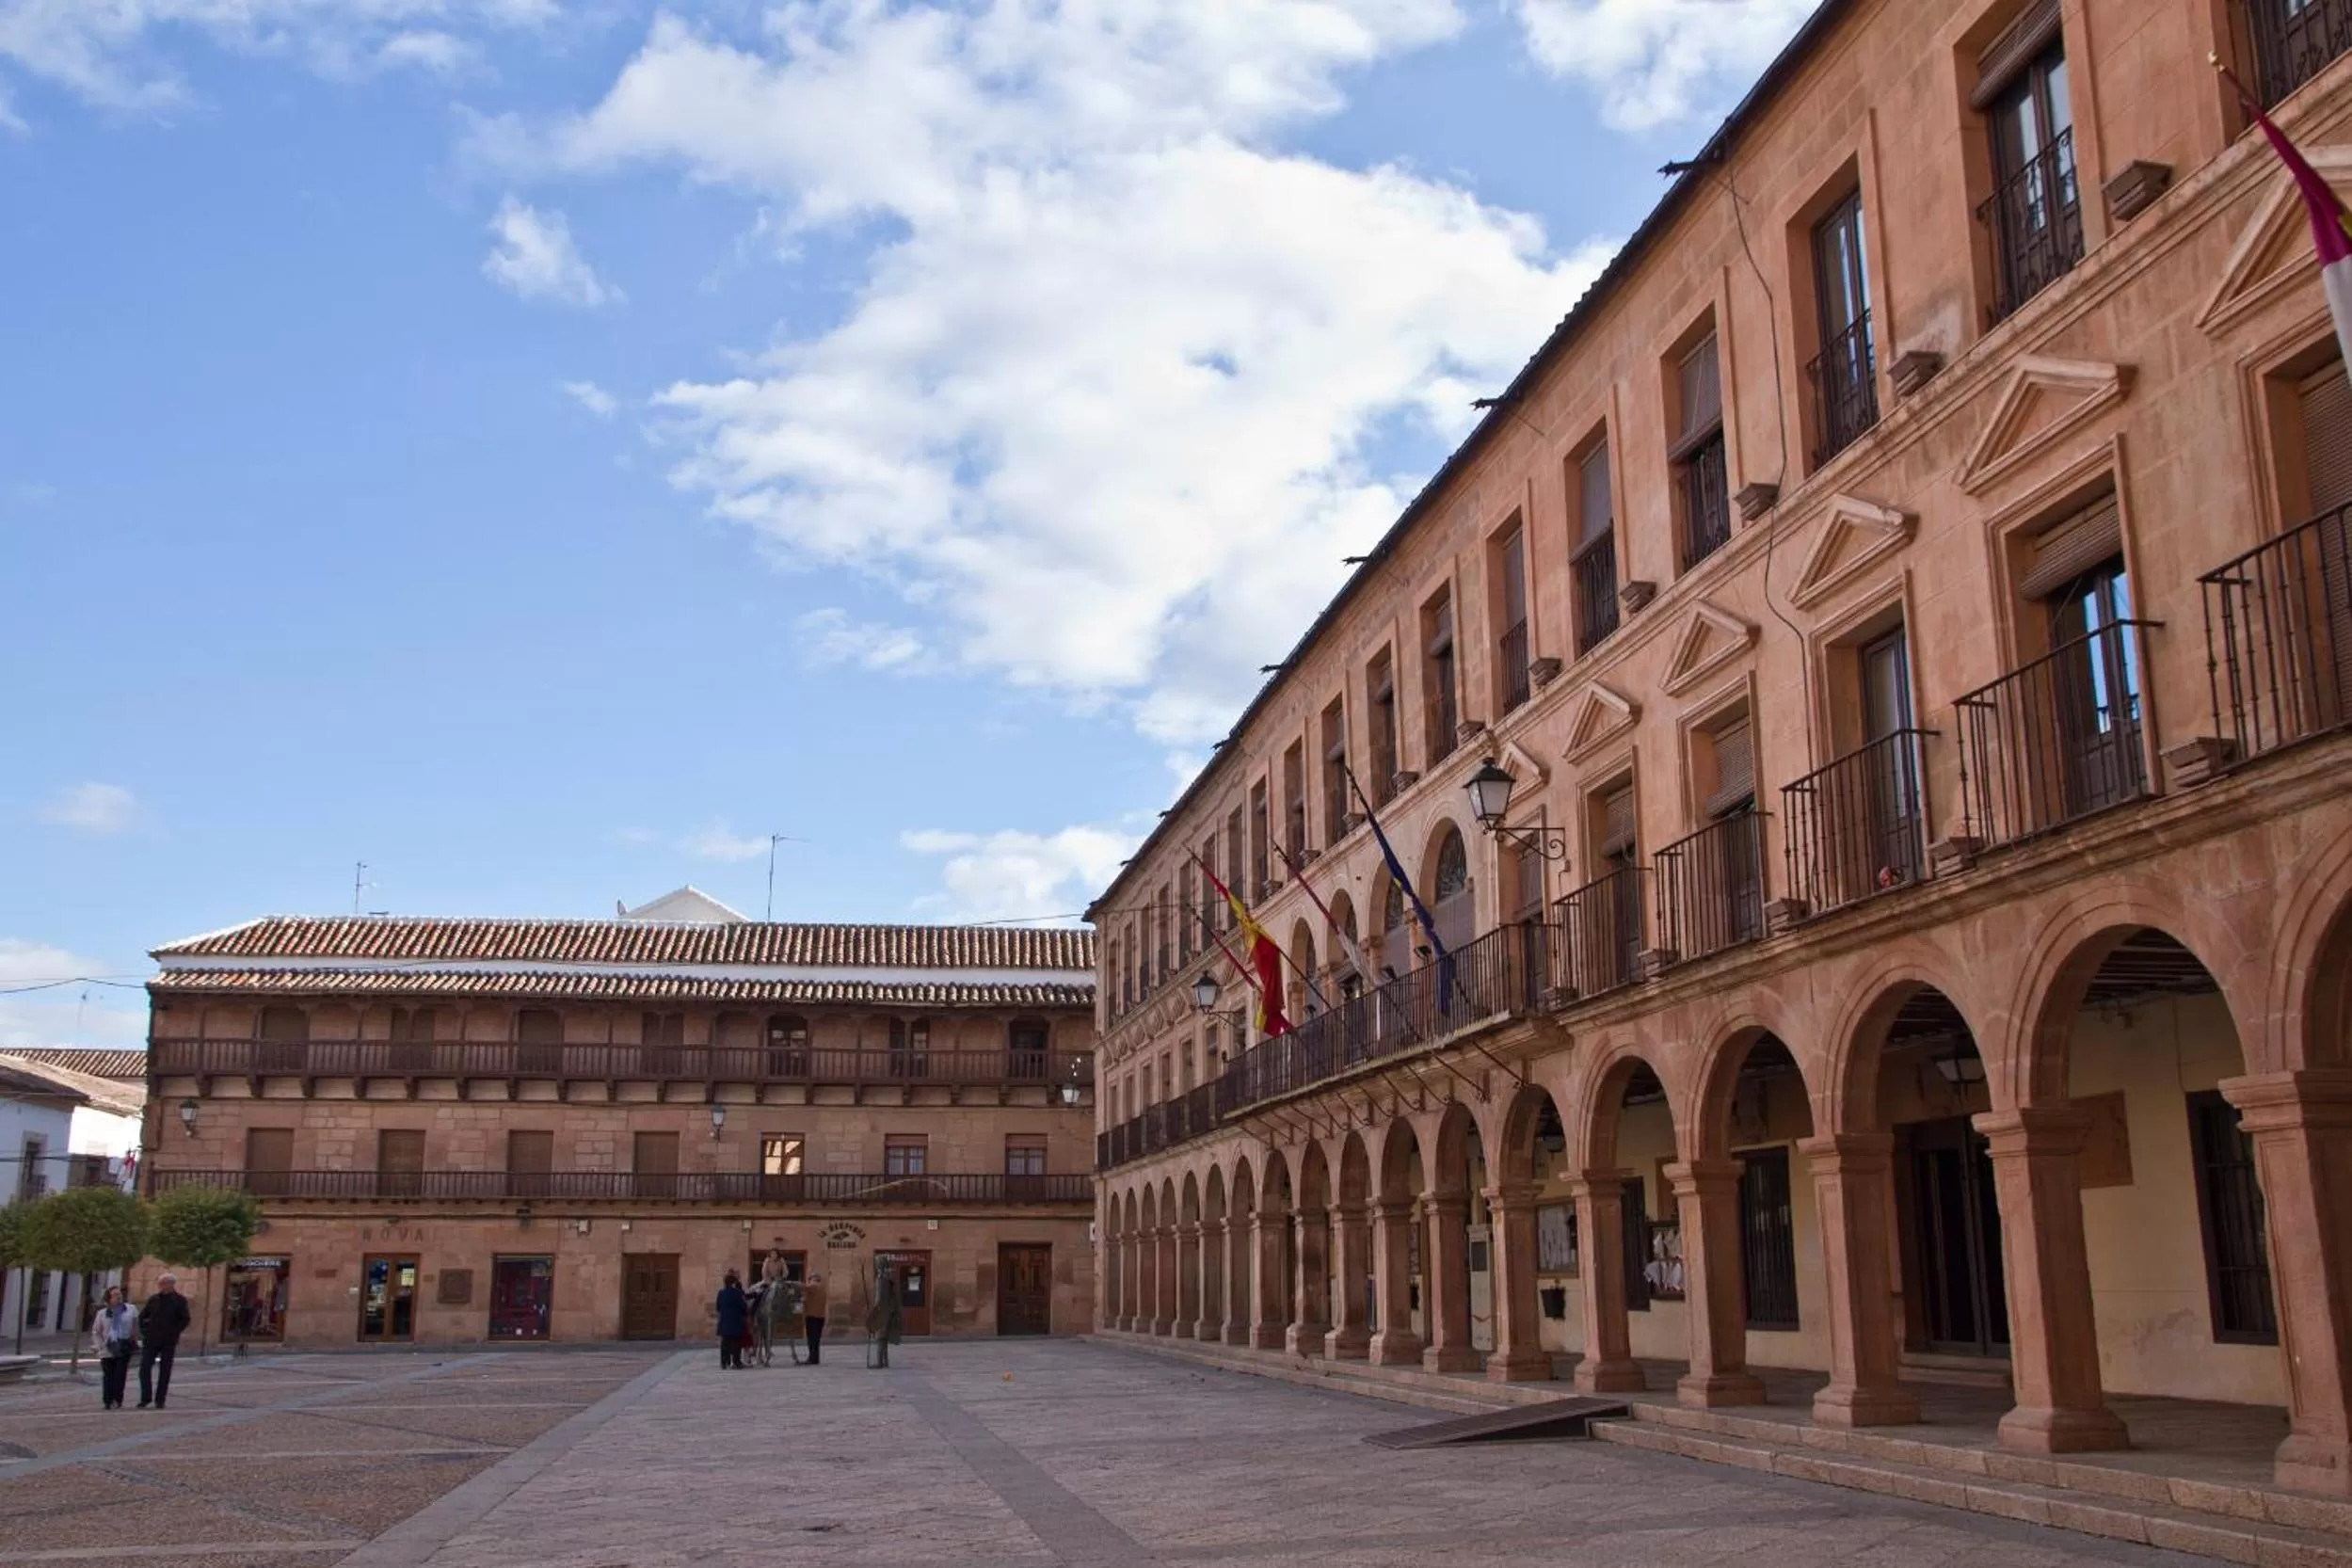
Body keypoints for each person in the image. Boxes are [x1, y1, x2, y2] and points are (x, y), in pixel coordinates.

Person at [136, 1273, 190, 1410]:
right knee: (144, 1368)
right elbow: (143, 1316)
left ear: (170, 1284)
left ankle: (160, 1400)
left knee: (165, 1371)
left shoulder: (180, 1300)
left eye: (163, 1283)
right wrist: (145, 1331)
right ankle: (145, 1397)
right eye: (159, 1283)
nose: (160, 1286)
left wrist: (174, 1332)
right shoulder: (154, 1299)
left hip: (168, 1340)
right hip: (151, 1339)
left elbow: (185, 1319)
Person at [88, 1286, 138, 1410]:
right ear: (109, 1298)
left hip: (123, 1345)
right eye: (115, 1295)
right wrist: (100, 1346)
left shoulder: (130, 1309)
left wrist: (134, 1340)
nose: (118, 1297)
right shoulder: (102, 1313)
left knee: (120, 1374)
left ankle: (117, 1399)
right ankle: (107, 1400)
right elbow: (96, 1331)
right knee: (108, 1375)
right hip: (108, 1346)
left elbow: (135, 1327)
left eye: (119, 1294)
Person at [866, 1268, 904, 1370]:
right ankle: (885, 1361)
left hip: (883, 1312)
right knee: (884, 1338)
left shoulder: (881, 1281)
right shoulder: (891, 1283)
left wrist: (873, 1313)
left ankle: (879, 1362)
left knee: (880, 1337)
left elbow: (879, 1299)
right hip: (890, 1311)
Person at [715, 1271, 749, 1369]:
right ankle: (736, 1362)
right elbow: (743, 1307)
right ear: (733, 1283)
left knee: (724, 1343)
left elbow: (718, 1307)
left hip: (724, 1321)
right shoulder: (738, 1293)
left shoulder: (721, 1293)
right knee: (736, 1343)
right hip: (736, 1321)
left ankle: (724, 1362)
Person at [802, 1269, 828, 1366]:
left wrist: (791, 1283)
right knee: (816, 1340)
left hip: (812, 1317)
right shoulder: (822, 1289)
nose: (809, 1280)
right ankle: (815, 1358)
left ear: (814, 1279)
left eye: (810, 1278)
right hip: (820, 1317)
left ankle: (812, 1359)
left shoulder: (814, 1286)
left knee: (811, 1339)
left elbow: (803, 1287)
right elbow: (812, 1300)